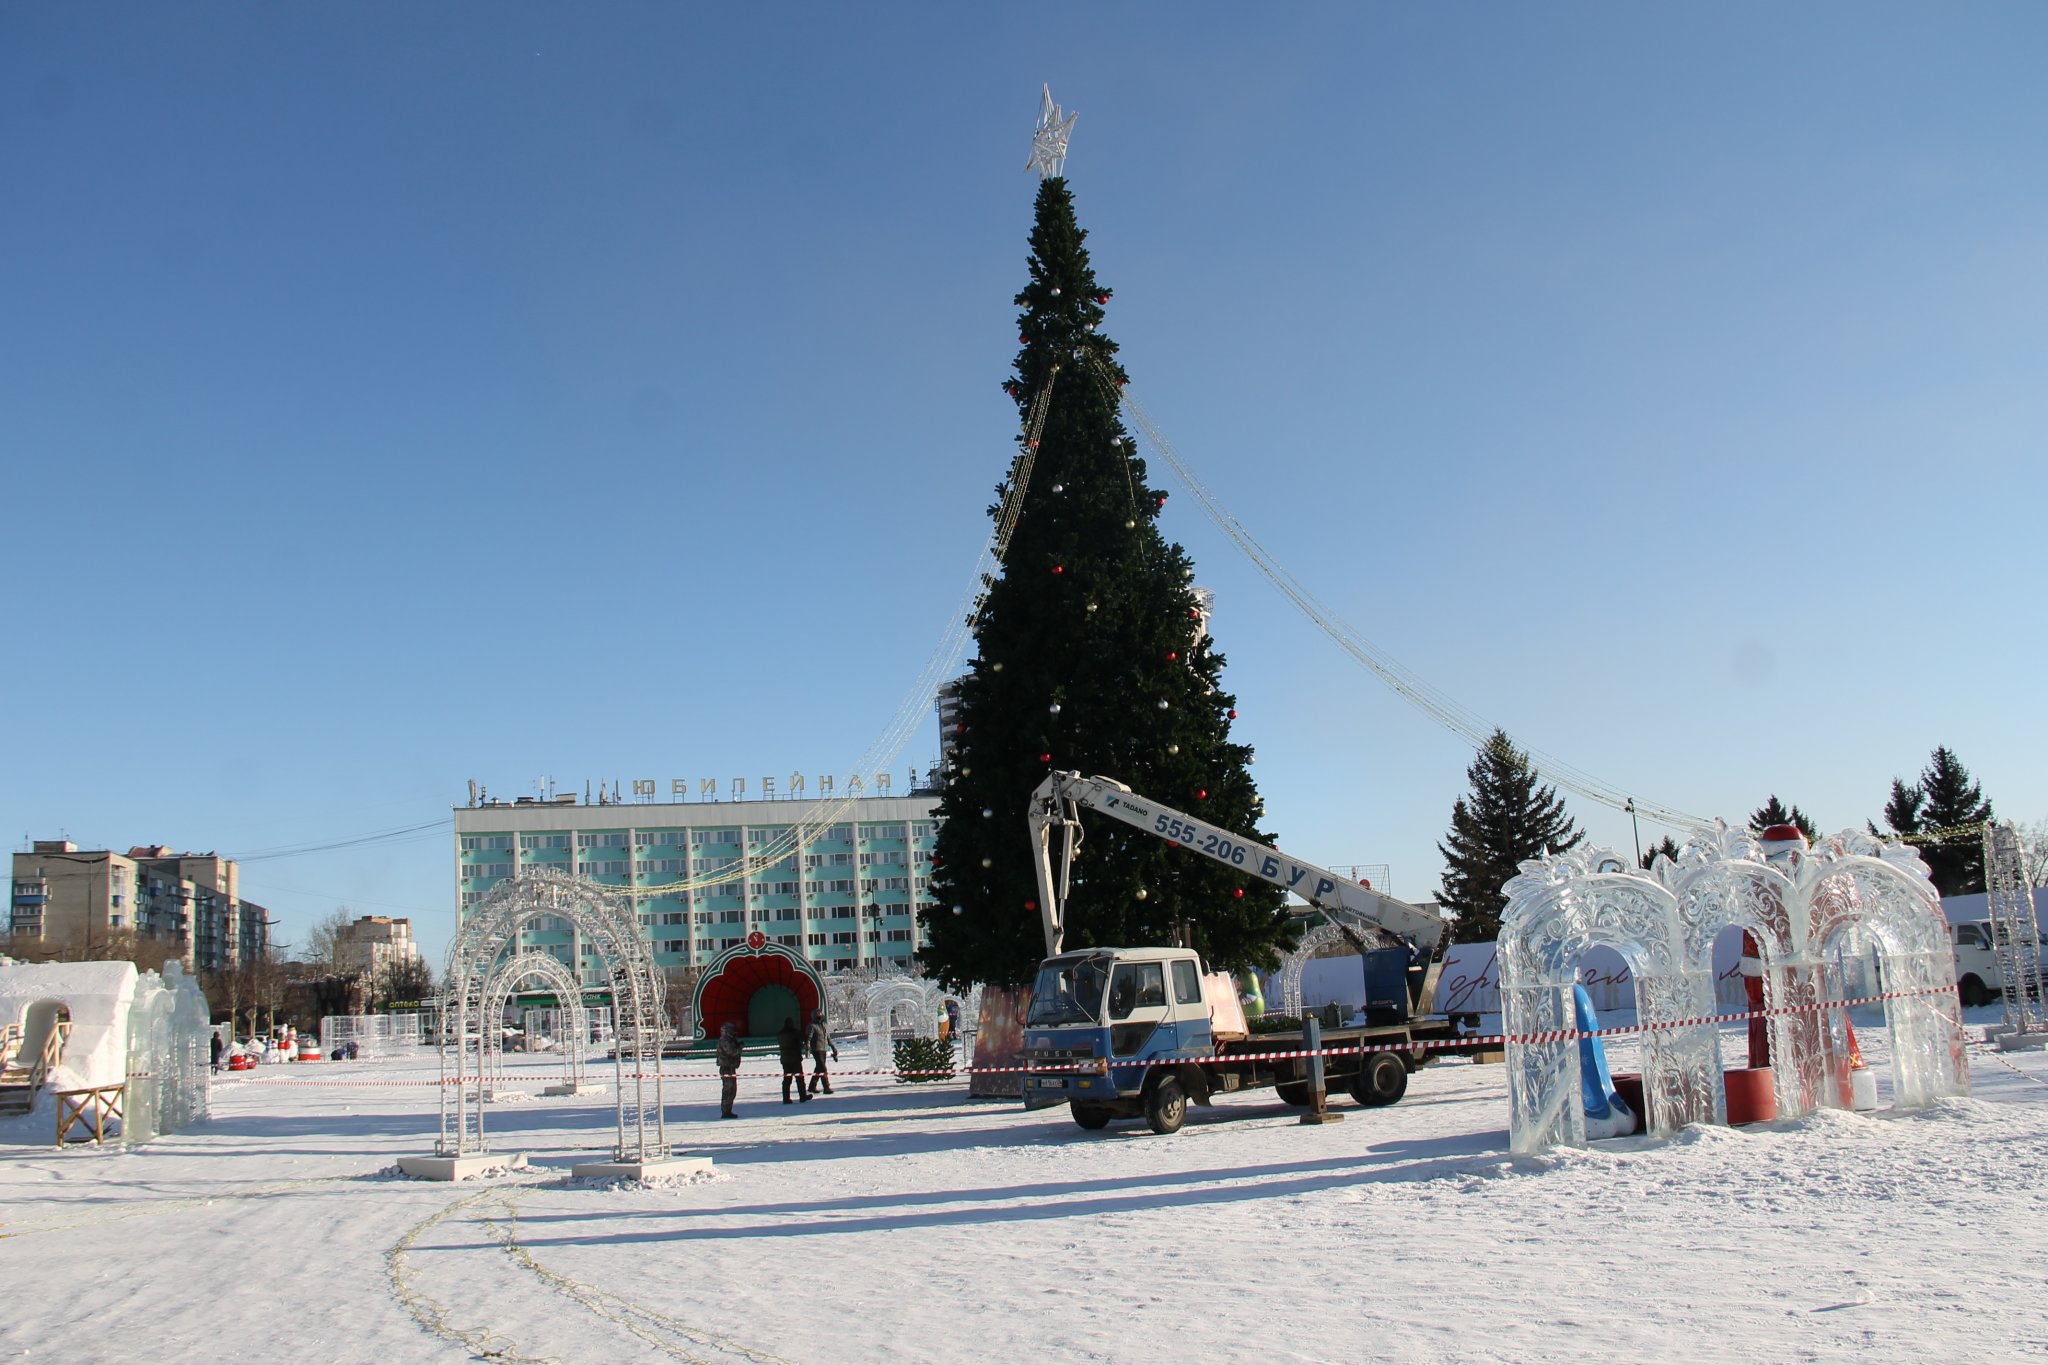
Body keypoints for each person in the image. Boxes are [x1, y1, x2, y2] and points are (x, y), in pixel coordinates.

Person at [776, 1017, 809, 1104]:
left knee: (787, 1080)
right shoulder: (794, 1032)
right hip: (795, 1058)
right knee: (800, 1079)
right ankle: (803, 1096)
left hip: (785, 1059)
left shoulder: (780, 1034)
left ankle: (786, 1098)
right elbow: (804, 1038)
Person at [806, 1015, 838, 1096]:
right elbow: (808, 1038)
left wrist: (833, 1047)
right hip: (816, 1049)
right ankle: (826, 1087)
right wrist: (807, 1049)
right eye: (817, 1014)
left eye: (820, 1014)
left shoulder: (824, 1025)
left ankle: (812, 1086)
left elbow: (828, 1037)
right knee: (823, 1067)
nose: (819, 1016)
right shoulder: (812, 1026)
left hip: (824, 1049)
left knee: (819, 1068)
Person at [716, 1021, 742, 1119]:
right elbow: (732, 1052)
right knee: (728, 1091)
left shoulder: (729, 1039)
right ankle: (726, 1112)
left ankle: (728, 1110)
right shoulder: (724, 1040)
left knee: (732, 1090)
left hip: (730, 1067)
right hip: (726, 1068)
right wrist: (739, 1047)